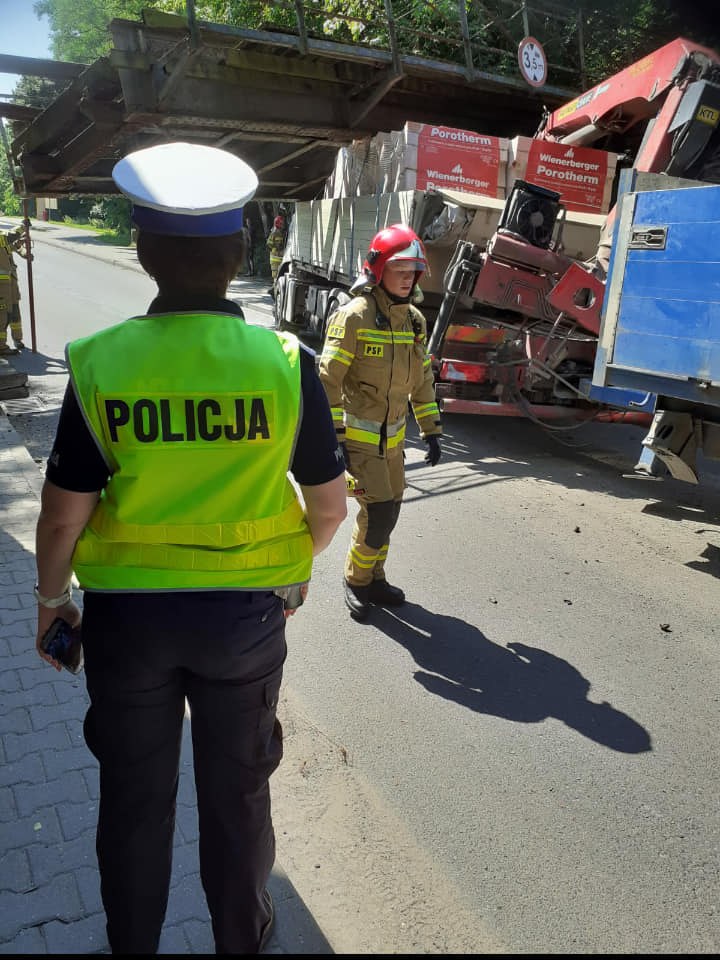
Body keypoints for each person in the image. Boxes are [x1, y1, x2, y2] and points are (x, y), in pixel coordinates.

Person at [33, 141, 347, 954]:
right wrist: (289, 575)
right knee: (237, 801)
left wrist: (51, 603)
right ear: (240, 252)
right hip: (244, 626)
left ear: (142, 253)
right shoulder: (284, 364)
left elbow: (63, 517)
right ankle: (243, 939)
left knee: (134, 803)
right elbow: (331, 505)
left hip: (128, 632)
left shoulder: (103, 363)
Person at [318, 223, 443, 620]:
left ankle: (375, 577)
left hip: (394, 443)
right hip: (358, 440)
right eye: (399, 270)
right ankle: (356, 580)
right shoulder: (353, 318)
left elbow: (421, 378)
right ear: (377, 269)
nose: (408, 279)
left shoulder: (415, 322)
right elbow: (326, 383)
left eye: (413, 272)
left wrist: (431, 429)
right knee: (379, 513)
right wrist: (334, 439)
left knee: (392, 510)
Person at [0, 225, 29, 353]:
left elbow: (12, 247)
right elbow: (9, 237)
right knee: (3, 314)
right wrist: (23, 226)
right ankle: (1, 346)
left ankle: (17, 339)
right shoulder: (2, 237)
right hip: (1, 286)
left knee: (14, 311)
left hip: (11, 282)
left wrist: (23, 249)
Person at [266, 214, 285, 295]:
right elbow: (279, 246)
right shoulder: (278, 233)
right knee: (277, 276)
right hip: (277, 258)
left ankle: (273, 289)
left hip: (273, 257)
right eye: (282, 223)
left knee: (275, 276)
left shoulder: (273, 231)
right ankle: (274, 291)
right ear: (279, 224)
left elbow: (269, 244)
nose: (283, 224)